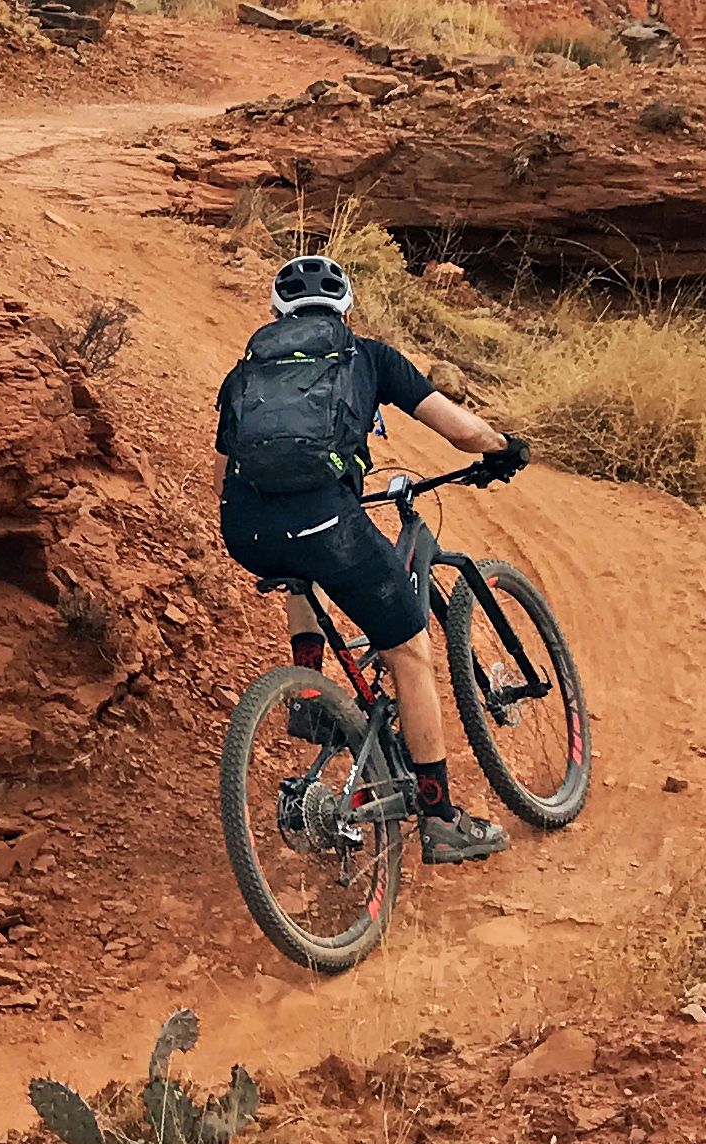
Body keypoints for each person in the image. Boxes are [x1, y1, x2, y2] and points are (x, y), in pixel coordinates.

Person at [213, 254, 531, 864]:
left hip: (246, 530)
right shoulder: (367, 355)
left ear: (277, 314)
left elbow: (221, 476)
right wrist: (501, 447)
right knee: (409, 650)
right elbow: (458, 431)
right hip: (326, 521)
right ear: (346, 311)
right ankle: (440, 819)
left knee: (301, 571)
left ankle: (311, 699)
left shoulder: (245, 373)